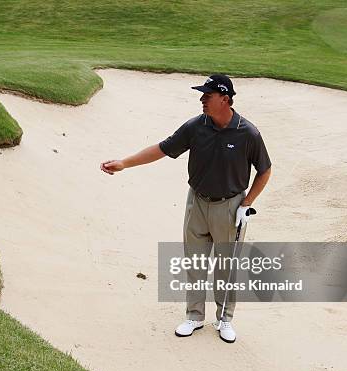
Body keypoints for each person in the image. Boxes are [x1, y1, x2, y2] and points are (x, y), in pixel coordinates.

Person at [100, 74, 272, 343]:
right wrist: (124, 163)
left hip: (229, 207)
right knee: (194, 262)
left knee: (226, 266)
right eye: (202, 95)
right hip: (197, 202)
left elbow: (265, 170)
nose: (202, 99)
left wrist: (246, 204)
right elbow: (162, 149)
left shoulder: (247, 133)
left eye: (208, 95)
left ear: (225, 99)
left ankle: (225, 319)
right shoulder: (195, 127)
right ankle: (194, 316)